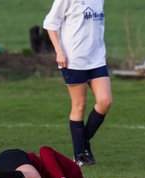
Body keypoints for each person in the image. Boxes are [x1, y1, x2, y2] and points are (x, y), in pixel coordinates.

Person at [43, 0, 112, 166]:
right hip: (73, 59)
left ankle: (83, 142)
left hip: (96, 58)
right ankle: (79, 153)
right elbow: (50, 24)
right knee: (79, 105)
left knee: (105, 101)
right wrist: (59, 52)